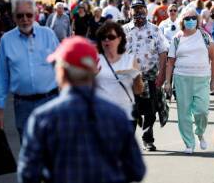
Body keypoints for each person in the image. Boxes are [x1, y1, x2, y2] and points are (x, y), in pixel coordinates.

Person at [18, 36, 146, 183]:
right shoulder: (116, 116)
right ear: (93, 71)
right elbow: (136, 170)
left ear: (61, 71)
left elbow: (28, 174)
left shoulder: (43, 118)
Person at [0, 0, 59, 142]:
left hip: (50, 101)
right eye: (20, 15)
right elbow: (2, 76)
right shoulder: (6, 40)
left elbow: (62, 66)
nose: (25, 19)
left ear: (35, 15)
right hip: (23, 105)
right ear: (14, 17)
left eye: (29, 15)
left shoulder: (48, 35)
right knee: (29, 150)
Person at [165, 8, 214, 154]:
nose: (190, 21)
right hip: (182, 78)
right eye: (187, 18)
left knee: (202, 111)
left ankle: (199, 132)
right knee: (184, 113)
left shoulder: (205, 36)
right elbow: (170, 62)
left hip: (202, 79)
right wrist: (168, 82)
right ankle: (189, 143)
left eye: (193, 18)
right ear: (182, 21)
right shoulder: (177, 38)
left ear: (198, 20)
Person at [123, 0, 169, 151]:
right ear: (130, 12)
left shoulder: (155, 30)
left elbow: (163, 51)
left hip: (150, 76)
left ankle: (147, 139)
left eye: (141, 9)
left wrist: (162, 73)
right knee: (132, 111)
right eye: (135, 10)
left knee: (150, 111)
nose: (139, 13)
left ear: (146, 11)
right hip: (130, 78)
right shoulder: (124, 30)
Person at [95, 22, 143, 126]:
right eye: (103, 37)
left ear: (120, 39)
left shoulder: (130, 60)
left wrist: (136, 77)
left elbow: (138, 91)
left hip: (125, 115)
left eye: (111, 37)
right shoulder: (96, 59)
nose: (107, 40)